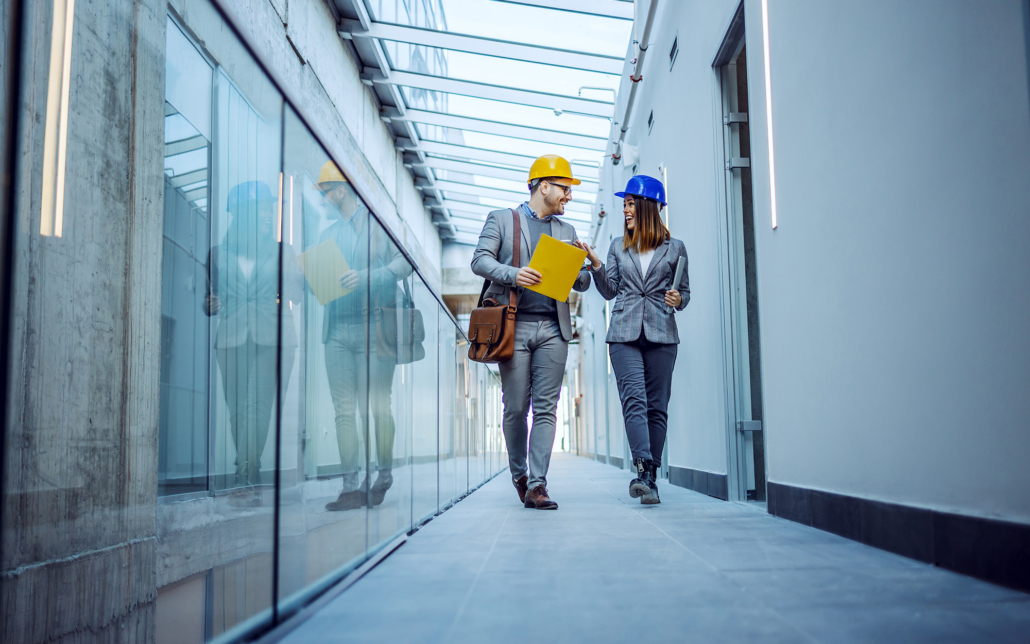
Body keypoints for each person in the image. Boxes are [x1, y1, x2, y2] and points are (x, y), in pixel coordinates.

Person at [471, 154, 592, 510]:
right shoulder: (502, 220)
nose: (569, 197)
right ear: (544, 186)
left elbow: (581, 282)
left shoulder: (566, 231)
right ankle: (519, 474)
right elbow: (479, 260)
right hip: (514, 326)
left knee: (546, 408)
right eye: (565, 190)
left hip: (554, 329)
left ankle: (538, 485)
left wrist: (580, 264)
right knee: (515, 407)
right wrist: (513, 273)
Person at [575, 175, 689, 505]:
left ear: (647, 207)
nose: (625, 210)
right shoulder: (616, 246)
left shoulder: (675, 247)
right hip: (623, 333)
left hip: (662, 333)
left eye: (629, 203)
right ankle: (641, 469)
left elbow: (685, 293)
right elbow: (610, 290)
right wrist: (596, 265)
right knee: (634, 401)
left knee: (658, 406)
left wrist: (677, 299)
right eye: (623, 204)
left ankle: (650, 478)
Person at [315, 162, 412, 512]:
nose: (324, 199)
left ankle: (383, 474)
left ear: (341, 190)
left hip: (375, 329)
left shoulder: (378, 225)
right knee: (344, 411)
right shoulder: (327, 234)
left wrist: (367, 277)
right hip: (337, 331)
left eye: (326, 191)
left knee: (377, 406)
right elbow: (324, 283)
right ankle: (350, 487)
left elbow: (405, 263)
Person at [205, 180, 300, 506]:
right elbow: (208, 298)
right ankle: (248, 467)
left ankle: (246, 473)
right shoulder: (217, 254)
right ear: (242, 213)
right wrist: (210, 304)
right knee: (236, 409)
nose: (267, 213)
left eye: (269, 207)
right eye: (261, 208)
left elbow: (298, 294)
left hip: (273, 337)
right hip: (231, 337)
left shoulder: (283, 252)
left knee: (257, 407)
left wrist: (299, 278)